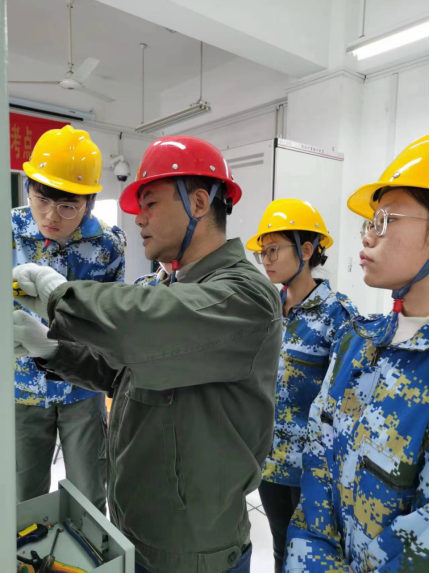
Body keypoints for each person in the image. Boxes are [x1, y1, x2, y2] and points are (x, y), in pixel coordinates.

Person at [13, 136, 284, 573]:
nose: (138, 218)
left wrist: (60, 296)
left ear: (199, 203)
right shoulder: (174, 288)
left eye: (151, 203)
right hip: (136, 531)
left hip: (193, 551)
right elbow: (121, 372)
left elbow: (146, 321)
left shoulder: (245, 296)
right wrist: (51, 348)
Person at [285, 136, 430, 572]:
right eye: (370, 221)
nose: (367, 235)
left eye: (385, 220)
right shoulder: (357, 341)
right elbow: (317, 467)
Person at [13, 125, 126, 515]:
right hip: (21, 389)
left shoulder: (109, 245)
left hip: (82, 387)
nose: (51, 216)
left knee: (89, 497)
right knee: (23, 496)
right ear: (27, 188)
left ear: (89, 203)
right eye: (41, 199)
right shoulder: (10, 232)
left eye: (67, 206)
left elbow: (112, 320)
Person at [246, 199, 358, 573]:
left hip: (312, 469)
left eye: (273, 250)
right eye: (262, 252)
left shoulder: (338, 314)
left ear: (306, 250)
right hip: (268, 460)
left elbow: (345, 401)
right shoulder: (267, 308)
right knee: (281, 547)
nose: (266, 260)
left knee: (311, 555)